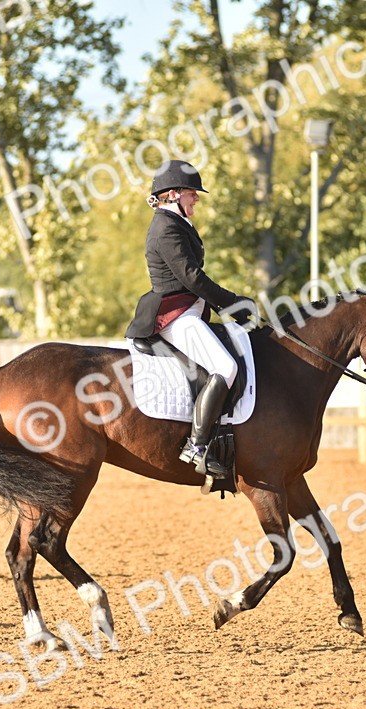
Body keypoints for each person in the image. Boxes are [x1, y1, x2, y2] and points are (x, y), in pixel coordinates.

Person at [125, 160, 255, 478]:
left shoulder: (178, 223)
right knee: (226, 368)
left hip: (190, 311)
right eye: (191, 193)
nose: (196, 198)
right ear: (173, 195)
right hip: (175, 316)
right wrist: (232, 302)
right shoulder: (165, 227)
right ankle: (196, 445)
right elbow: (192, 278)